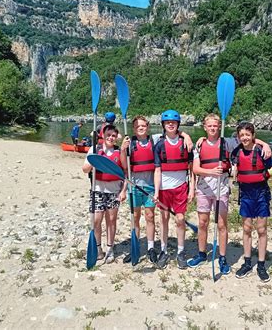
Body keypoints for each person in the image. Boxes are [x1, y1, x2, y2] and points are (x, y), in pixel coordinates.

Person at [188, 114, 272, 275]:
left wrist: (265, 143)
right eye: (209, 126)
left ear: (219, 126)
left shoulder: (228, 143)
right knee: (203, 222)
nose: (212, 128)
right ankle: (201, 254)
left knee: (221, 224)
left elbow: (247, 139)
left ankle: (222, 257)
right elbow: (195, 169)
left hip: (222, 188)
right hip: (204, 188)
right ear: (205, 127)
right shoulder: (199, 145)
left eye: (215, 126)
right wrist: (210, 171)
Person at [119, 115, 193, 265]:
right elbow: (125, 166)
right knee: (135, 217)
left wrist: (186, 136)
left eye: (143, 126)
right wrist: (122, 149)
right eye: (138, 126)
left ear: (148, 127)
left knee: (150, 216)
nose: (141, 128)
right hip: (134, 186)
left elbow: (173, 132)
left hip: (151, 186)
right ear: (134, 128)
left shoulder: (155, 138)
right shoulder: (130, 142)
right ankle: (136, 248)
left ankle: (151, 248)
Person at [230, 122, 272, 281]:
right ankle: (247, 263)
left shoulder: (261, 151)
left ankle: (260, 264)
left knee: (261, 229)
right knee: (246, 229)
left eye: (247, 135)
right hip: (245, 194)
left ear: (253, 136)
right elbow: (232, 169)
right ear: (238, 137)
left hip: (261, 194)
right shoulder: (236, 153)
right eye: (242, 135)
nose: (245, 138)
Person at [153, 110, 195, 270]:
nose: (171, 124)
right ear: (163, 124)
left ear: (178, 124)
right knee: (164, 219)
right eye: (168, 122)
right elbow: (157, 171)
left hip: (180, 188)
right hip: (164, 188)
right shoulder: (159, 145)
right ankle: (163, 250)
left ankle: (181, 251)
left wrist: (192, 189)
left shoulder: (186, 143)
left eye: (174, 122)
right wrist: (156, 192)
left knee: (179, 219)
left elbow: (191, 171)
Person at [82, 124, 127, 264]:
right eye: (108, 135)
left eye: (113, 135)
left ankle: (110, 249)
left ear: (116, 138)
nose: (111, 138)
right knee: (96, 220)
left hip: (114, 191)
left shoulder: (119, 152)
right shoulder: (94, 150)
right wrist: (94, 159)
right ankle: (97, 249)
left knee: (111, 220)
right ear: (103, 135)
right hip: (97, 190)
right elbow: (85, 169)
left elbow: (126, 173)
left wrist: (123, 190)